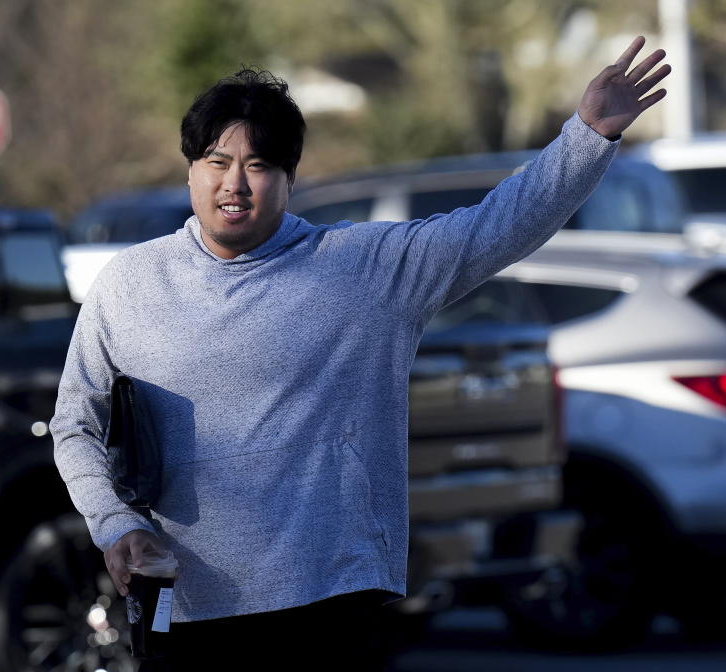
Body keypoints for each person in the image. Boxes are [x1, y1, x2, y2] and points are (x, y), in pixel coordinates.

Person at [51, 36, 670, 670]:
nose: (234, 182)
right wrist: (115, 522)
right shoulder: (130, 284)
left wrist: (587, 136)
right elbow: (75, 424)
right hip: (179, 601)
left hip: (327, 602)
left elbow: (497, 225)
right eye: (216, 160)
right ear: (190, 169)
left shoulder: (361, 270)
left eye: (259, 164)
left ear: (291, 178)